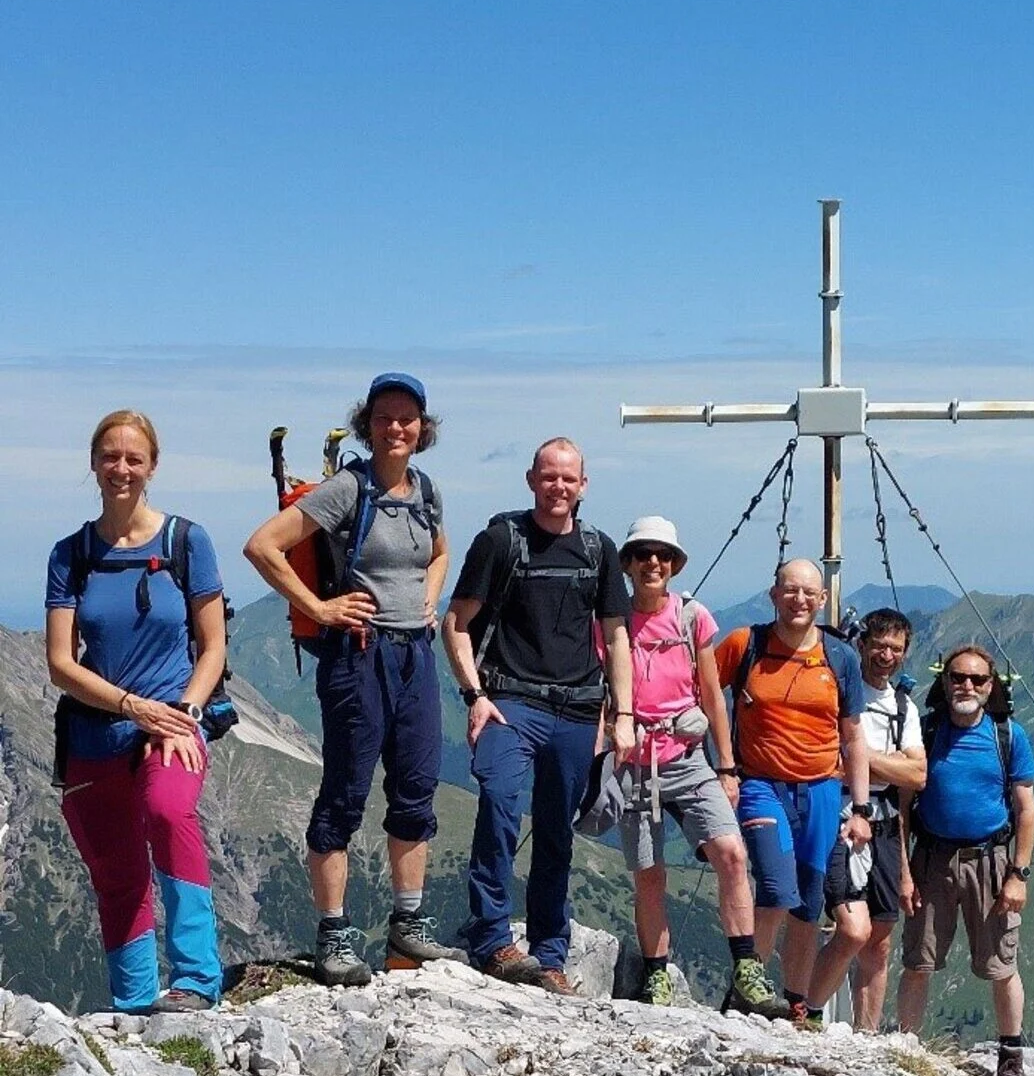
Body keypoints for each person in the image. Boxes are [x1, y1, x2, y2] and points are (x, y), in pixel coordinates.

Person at [244, 372, 459, 986]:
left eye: (408, 418)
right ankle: (333, 934)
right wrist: (320, 609)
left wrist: (430, 599)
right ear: (368, 425)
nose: (397, 428)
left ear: (423, 428)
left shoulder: (427, 490)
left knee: (415, 788)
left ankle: (408, 926)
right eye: (386, 417)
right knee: (344, 794)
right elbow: (263, 546)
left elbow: (440, 552)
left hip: (415, 654)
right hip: (357, 655)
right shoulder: (347, 488)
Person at [45, 410, 226, 1013]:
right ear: (93, 463)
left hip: (173, 724)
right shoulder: (71, 554)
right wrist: (132, 707)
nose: (121, 468)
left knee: (169, 813)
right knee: (118, 875)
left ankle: (198, 981)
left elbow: (213, 645)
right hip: (96, 734)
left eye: (133, 458)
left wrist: (182, 714)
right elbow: (60, 663)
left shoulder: (186, 541)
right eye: (110, 456)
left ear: (152, 466)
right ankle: (134, 1005)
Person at [442, 438, 634, 994]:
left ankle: (550, 955)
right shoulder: (502, 540)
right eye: (549, 477)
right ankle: (493, 939)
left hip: (577, 710)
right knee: (500, 803)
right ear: (531, 479)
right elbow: (456, 622)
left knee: (556, 831)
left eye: (568, 479)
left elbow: (616, 636)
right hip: (511, 702)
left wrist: (622, 714)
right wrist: (474, 695)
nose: (558, 487)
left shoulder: (599, 550)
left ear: (584, 485)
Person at [612, 517, 790, 1018]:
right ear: (627, 564)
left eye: (663, 556)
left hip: (688, 757)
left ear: (674, 565)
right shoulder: (613, 621)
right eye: (644, 554)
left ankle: (748, 971)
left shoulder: (692, 618)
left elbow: (713, 693)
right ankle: (656, 976)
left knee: (732, 854)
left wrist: (727, 766)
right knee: (649, 873)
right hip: (634, 760)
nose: (654, 564)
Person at [714, 558, 871, 1026]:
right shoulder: (746, 644)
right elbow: (703, 693)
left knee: (807, 902)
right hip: (760, 783)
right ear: (773, 594)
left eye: (808, 593)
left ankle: (795, 1004)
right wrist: (720, 766)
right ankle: (747, 992)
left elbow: (853, 735)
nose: (799, 600)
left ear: (822, 601)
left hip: (822, 789)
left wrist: (860, 807)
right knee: (777, 890)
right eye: (790, 590)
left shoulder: (839, 656)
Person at [896, 644, 1034, 1076]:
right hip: (931, 860)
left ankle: (1011, 1059)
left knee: (1001, 965)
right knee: (919, 960)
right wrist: (903, 869)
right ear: (945, 681)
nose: (967, 686)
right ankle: (908, 1051)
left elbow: (1027, 810)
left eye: (978, 680)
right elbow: (901, 808)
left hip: (991, 863)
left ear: (991, 686)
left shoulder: (1008, 736)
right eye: (959, 677)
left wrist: (1019, 874)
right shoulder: (925, 732)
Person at [808, 608, 927, 1030]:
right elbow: (833, 765)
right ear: (861, 644)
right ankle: (806, 1013)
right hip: (840, 815)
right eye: (879, 645)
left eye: (896, 648)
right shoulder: (840, 691)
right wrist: (887, 762)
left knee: (879, 940)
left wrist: (861, 757)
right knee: (853, 931)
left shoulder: (902, 706)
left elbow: (919, 774)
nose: (886, 655)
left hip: (886, 823)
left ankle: (867, 1035)